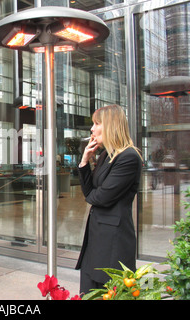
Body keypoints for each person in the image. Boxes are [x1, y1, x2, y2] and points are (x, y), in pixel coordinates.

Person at [75, 104, 143, 295]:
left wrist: (92, 196)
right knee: (89, 290)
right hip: (97, 238)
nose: (92, 129)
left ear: (111, 125)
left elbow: (100, 197)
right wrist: (84, 162)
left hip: (113, 243)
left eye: (97, 123)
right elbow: (90, 193)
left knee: (108, 292)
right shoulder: (107, 155)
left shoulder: (129, 157)